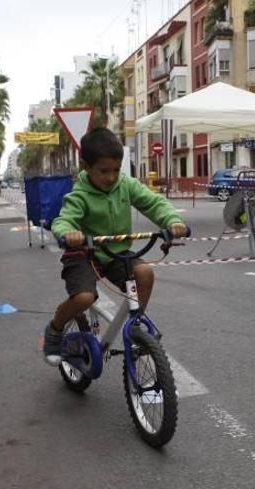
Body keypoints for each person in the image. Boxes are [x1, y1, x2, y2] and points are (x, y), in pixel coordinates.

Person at [42, 128, 188, 366]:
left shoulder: (126, 185)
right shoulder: (80, 194)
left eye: (116, 170)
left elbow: (153, 203)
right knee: (84, 298)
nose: (111, 177)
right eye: (103, 171)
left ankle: (135, 326)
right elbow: (64, 219)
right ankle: (55, 329)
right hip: (84, 254)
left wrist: (172, 220)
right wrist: (68, 233)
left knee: (145, 273)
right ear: (86, 167)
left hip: (116, 253)